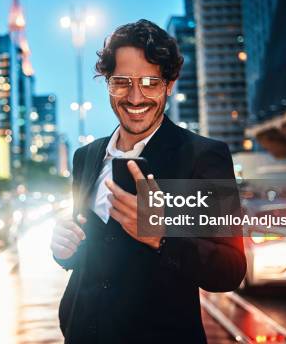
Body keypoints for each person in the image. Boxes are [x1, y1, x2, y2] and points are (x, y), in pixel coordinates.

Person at [51, 19, 246, 343]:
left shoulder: (202, 156)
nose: (135, 97)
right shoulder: (86, 156)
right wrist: (64, 249)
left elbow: (230, 268)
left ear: (169, 84)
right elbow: (87, 250)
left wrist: (163, 235)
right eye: (122, 82)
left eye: (150, 82)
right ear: (108, 83)